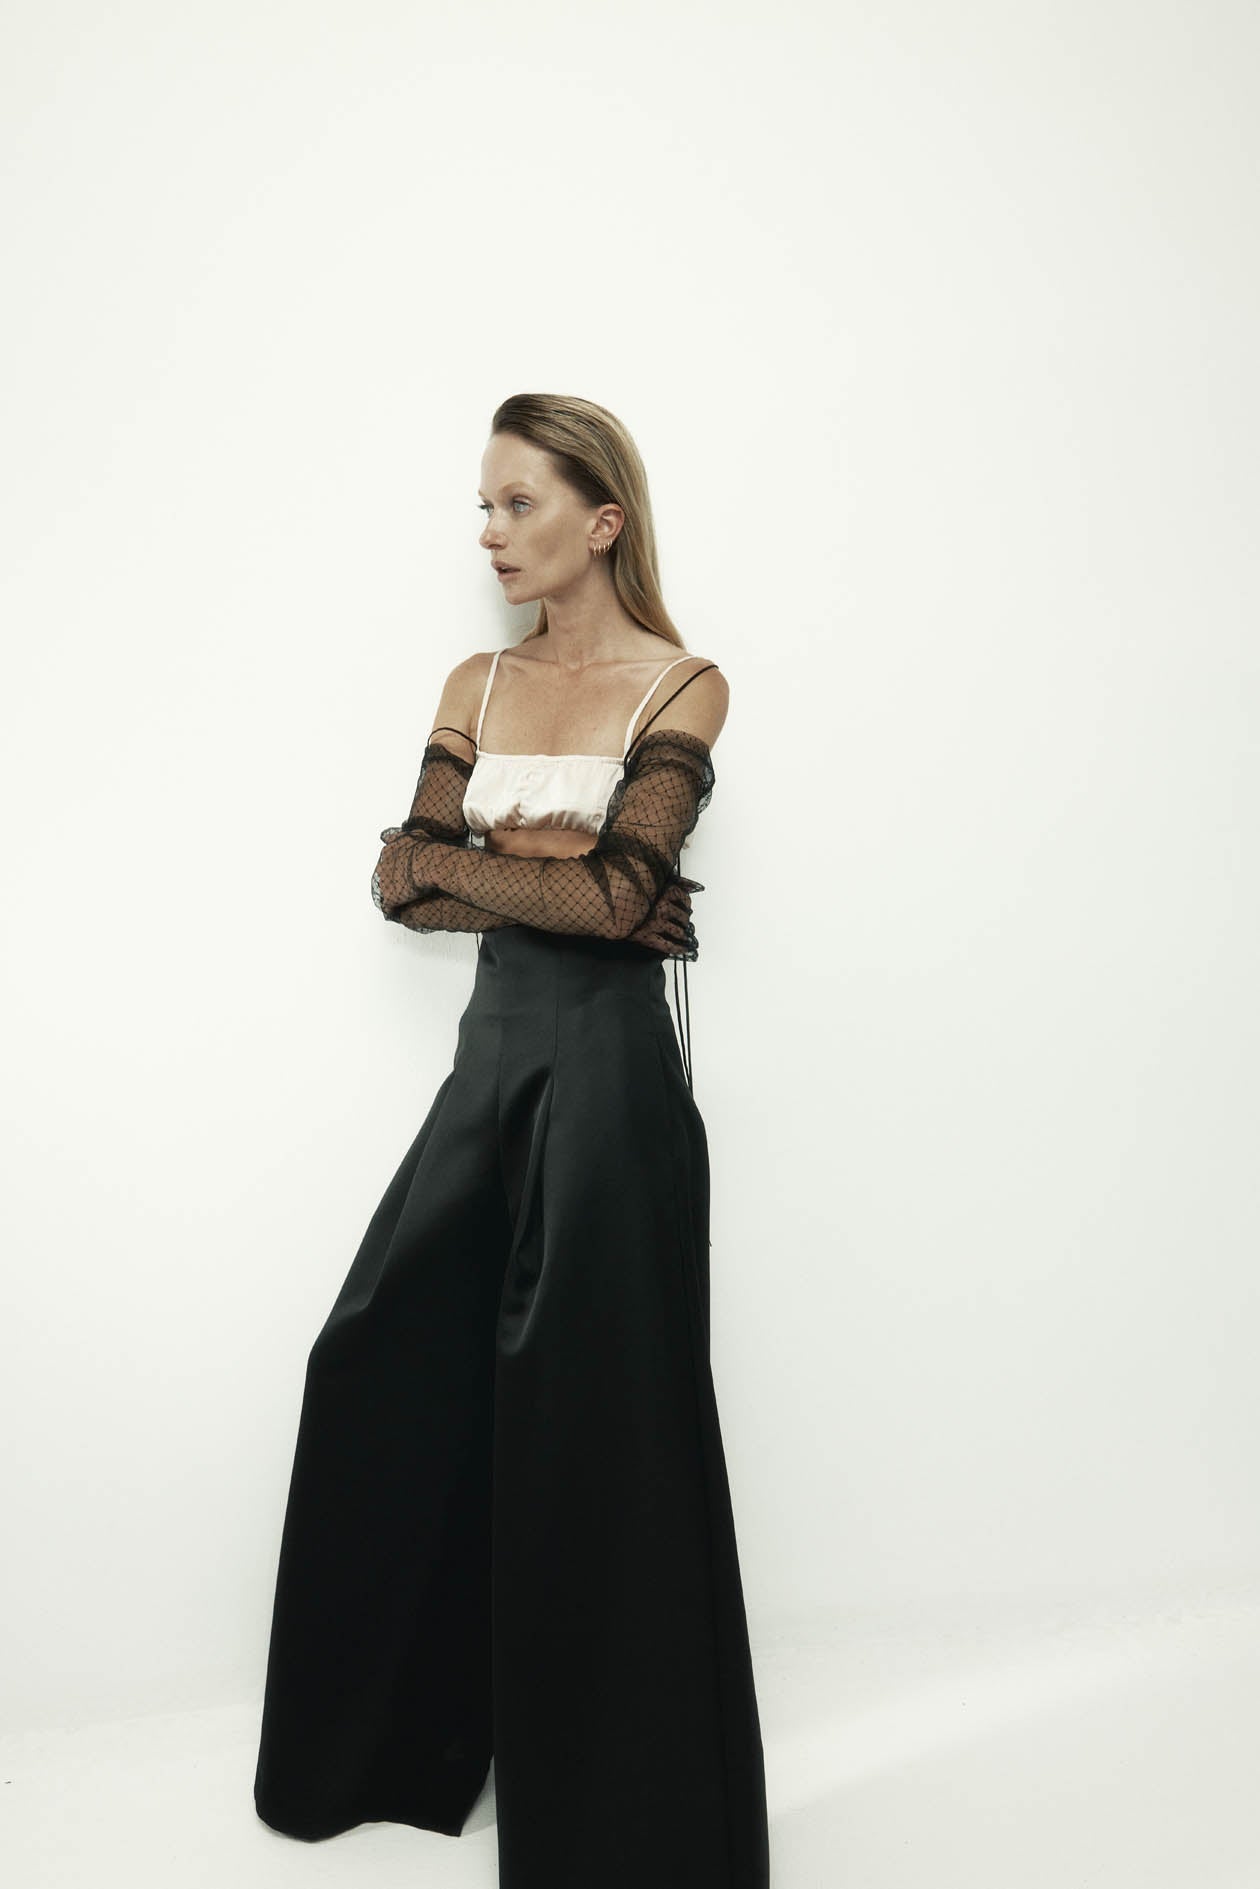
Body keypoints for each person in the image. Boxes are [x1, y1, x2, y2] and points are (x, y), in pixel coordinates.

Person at [253, 393, 771, 1889]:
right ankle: (392, 1752)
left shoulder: (682, 685)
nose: (488, 532)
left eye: (517, 503)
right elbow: (401, 883)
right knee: (374, 1354)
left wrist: (483, 867)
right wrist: (556, 878)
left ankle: (621, 1827)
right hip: (490, 1067)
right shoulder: (475, 680)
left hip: (610, 1084)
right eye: (483, 506)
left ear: (601, 520)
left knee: (592, 1428)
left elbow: (600, 896)